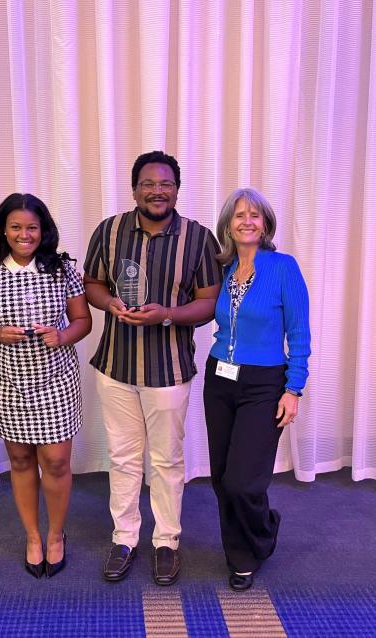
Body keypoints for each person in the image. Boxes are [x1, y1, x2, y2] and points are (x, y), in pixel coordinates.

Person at [83, 151, 222, 586]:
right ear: (134, 188)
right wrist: (110, 304)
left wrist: (167, 314)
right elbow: (92, 283)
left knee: (165, 460)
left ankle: (166, 542)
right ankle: (124, 538)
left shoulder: (198, 238)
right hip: (116, 366)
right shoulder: (108, 231)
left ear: (176, 189)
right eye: (147, 183)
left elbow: (208, 302)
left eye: (165, 183)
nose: (156, 190)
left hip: (168, 369)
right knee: (123, 458)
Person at [0, 193, 91, 578]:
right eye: (16, 227)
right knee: (20, 460)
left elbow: (83, 320)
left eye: (32, 227)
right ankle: (32, 536)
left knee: (55, 461)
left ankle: (56, 535)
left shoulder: (63, 268)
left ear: (43, 230)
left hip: (55, 379)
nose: (24, 234)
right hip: (8, 381)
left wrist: (64, 335)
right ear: (3, 229)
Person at [203, 187, 310, 591]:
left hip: (265, 383)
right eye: (238, 215)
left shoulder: (283, 267)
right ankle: (240, 556)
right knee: (221, 477)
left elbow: (299, 332)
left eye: (255, 215)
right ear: (227, 225)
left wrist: (293, 389)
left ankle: (263, 530)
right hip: (220, 378)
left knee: (243, 482)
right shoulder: (223, 268)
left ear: (265, 224)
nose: (247, 221)